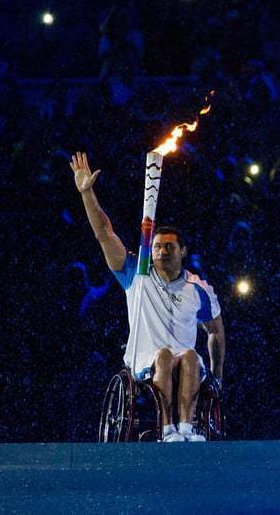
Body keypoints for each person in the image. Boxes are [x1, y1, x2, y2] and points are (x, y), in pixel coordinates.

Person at [69, 151, 226, 442]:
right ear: (149, 251)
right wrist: (87, 192)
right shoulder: (136, 274)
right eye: (156, 247)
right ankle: (168, 429)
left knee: (190, 355)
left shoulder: (199, 288)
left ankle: (187, 429)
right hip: (144, 360)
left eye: (169, 247)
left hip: (187, 361)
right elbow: (105, 233)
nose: (162, 251)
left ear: (183, 251)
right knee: (165, 356)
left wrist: (217, 375)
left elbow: (216, 331)